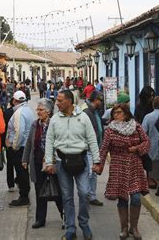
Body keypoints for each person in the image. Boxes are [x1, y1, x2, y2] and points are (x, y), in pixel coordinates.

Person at [44, 90, 101, 240]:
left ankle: (84, 223)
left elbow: (92, 140)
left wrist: (97, 161)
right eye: (57, 100)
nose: (57, 103)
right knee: (67, 197)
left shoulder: (83, 118)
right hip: (62, 164)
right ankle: (70, 228)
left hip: (81, 162)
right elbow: (49, 141)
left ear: (69, 101)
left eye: (60, 100)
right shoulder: (55, 119)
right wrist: (49, 162)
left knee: (84, 193)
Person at [97, 103, 150, 240]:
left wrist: (137, 148)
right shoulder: (110, 130)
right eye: (114, 113)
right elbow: (104, 149)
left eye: (119, 112)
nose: (116, 115)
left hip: (135, 165)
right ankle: (124, 228)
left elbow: (146, 142)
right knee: (122, 199)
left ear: (126, 114)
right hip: (118, 166)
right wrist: (99, 165)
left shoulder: (136, 127)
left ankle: (134, 227)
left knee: (136, 197)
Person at [22, 99, 63, 229]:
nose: (38, 112)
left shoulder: (55, 124)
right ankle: (40, 219)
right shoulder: (35, 125)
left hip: (53, 164)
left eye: (41, 110)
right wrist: (25, 159)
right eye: (38, 110)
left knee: (58, 192)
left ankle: (65, 218)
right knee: (40, 192)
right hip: (38, 163)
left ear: (48, 112)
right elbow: (29, 143)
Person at [6, 91, 35, 207]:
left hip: (20, 148)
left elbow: (20, 131)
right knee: (23, 172)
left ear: (14, 100)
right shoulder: (27, 110)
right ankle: (25, 194)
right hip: (25, 146)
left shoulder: (19, 112)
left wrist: (14, 146)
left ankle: (24, 197)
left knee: (21, 172)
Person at [83, 91, 105, 206]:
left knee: (94, 173)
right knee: (90, 172)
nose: (101, 103)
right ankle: (86, 196)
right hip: (89, 148)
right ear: (95, 100)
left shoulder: (95, 111)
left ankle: (91, 196)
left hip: (96, 147)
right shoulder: (87, 112)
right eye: (100, 101)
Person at [142, 96, 159, 189]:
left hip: (152, 147)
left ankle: (151, 180)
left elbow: (143, 132)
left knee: (152, 164)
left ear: (153, 105)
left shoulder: (148, 117)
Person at [3, 99, 17, 192]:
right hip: (19, 143)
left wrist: (4, 142)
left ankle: (11, 184)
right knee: (20, 164)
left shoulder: (6, 112)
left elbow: (3, 128)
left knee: (10, 164)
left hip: (9, 142)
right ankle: (19, 181)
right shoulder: (23, 111)